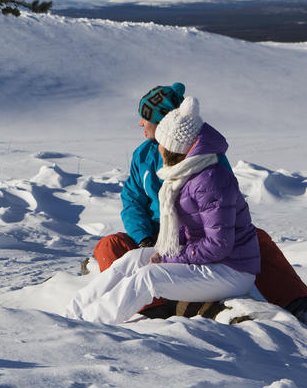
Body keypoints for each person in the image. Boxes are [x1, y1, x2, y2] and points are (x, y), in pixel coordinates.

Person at [90, 83, 307, 329]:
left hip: (193, 241)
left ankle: (302, 308)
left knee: (257, 240)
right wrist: (145, 239)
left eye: (145, 118)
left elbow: (220, 212)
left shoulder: (206, 158)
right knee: (110, 245)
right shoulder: (143, 156)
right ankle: (152, 308)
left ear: (166, 122)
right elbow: (132, 201)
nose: (140, 123)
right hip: (156, 239)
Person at [67, 96, 259, 323]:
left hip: (230, 270)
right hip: (207, 260)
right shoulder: (183, 174)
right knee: (133, 259)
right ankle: (71, 315)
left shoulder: (210, 179)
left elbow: (219, 245)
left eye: (161, 143)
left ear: (173, 147)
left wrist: (171, 257)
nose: (156, 148)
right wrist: (165, 253)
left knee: (148, 277)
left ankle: (92, 323)